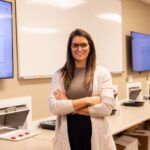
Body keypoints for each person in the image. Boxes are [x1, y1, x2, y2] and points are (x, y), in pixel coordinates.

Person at [48, 28, 116, 150]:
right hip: (68, 135)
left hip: (96, 136)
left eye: (83, 45)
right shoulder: (59, 75)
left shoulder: (102, 73)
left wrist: (69, 105)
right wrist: (87, 100)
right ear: (70, 48)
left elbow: (107, 108)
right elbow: (54, 107)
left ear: (90, 47)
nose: (79, 49)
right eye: (75, 45)